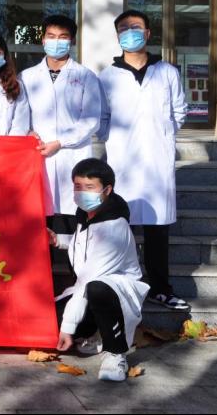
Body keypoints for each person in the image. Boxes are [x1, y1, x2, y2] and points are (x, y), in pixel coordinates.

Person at [99, 10, 189, 311]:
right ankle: (120, 286)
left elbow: (179, 112)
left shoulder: (167, 72)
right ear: (117, 36)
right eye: (123, 28)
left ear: (148, 33)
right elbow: (102, 118)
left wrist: (161, 135)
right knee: (121, 226)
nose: (130, 32)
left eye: (136, 27)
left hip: (156, 162)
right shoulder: (108, 76)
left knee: (157, 230)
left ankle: (160, 289)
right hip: (122, 161)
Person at [50, 158, 149, 382]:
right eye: (77, 186)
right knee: (47, 324)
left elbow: (88, 279)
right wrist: (58, 240)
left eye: (89, 187)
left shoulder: (114, 227)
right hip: (86, 290)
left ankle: (115, 352)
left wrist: (68, 328)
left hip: (114, 293)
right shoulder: (87, 216)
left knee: (97, 289)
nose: (82, 192)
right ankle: (96, 333)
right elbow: (85, 244)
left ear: (107, 190)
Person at [21, 15, 101, 233]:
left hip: (72, 154)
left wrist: (61, 142)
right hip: (38, 153)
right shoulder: (26, 77)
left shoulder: (86, 76)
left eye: (63, 37)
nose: (56, 41)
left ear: (72, 41)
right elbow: (20, 114)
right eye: (51, 36)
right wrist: (29, 132)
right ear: (43, 39)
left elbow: (91, 119)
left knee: (72, 219)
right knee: (41, 217)